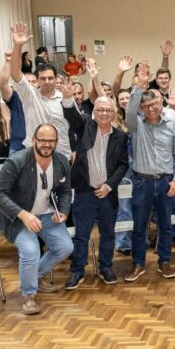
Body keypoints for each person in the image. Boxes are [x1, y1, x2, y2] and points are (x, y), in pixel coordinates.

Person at [0, 125, 73, 316]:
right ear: (34, 140)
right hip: (19, 217)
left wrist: (63, 211)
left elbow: (65, 191)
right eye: (42, 140)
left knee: (65, 247)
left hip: (46, 214)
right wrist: (23, 214)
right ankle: (29, 295)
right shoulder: (16, 162)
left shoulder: (61, 161)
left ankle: (34, 276)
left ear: (56, 142)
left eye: (51, 141)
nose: (46, 144)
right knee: (30, 250)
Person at [125, 65, 175, 281]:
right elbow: (129, 113)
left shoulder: (171, 124)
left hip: (166, 182)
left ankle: (164, 261)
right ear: (141, 108)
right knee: (139, 226)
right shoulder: (135, 125)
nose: (150, 109)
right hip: (142, 182)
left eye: (154, 104)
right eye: (145, 106)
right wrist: (138, 87)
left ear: (160, 104)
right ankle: (138, 263)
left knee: (166, 226)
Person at [64, 96, 129, 290]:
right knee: (81, 235)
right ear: (94, 112)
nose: (104, 113)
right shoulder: (85, 126)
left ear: (114, 113)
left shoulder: (121, 136)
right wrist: (67, 98)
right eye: (100, 109)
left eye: (108, 110)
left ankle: (106, 267)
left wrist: (109, 186)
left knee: (108, 234)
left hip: (108, 193)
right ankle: (77, 270)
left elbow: (123, 164)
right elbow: (72, 115)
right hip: (85, 192)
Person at [8, 23, 75, 158]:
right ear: (37, 81)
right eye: (43, 78)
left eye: (51, 78)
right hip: (34, 153)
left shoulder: (65, 97)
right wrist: (17, 46)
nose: (47, 81)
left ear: (56, 79)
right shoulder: (30, 94)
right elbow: (15, 73)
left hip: (62, 153)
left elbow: (75, 125)